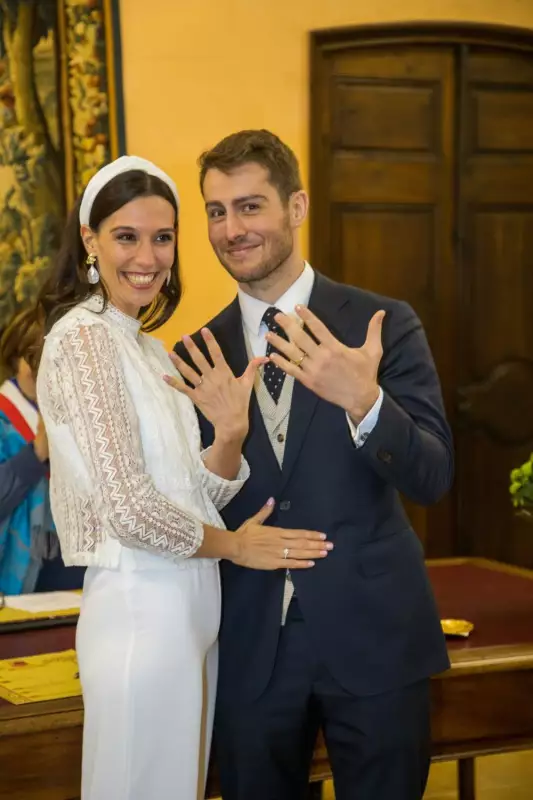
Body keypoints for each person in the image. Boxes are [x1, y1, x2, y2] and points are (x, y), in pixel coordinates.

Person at [34, 155, 332, 800]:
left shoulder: (145, 347)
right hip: (142, 608)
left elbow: (199, 497)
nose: (147, 256)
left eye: (162, 237)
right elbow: (130, 512)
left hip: (192, 608)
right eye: (126, 236)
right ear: (90, 240)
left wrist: (228, 437)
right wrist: (236, 547)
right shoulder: (81, 339)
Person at [172, 130, 454, 800]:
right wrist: (228, 442)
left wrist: (365, 400)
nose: (231, 229)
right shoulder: (194, 354)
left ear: (295, 207)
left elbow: (433, 477)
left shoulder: (381, 323)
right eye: (216, 211)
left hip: (375, 634)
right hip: (247, 647)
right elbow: (184, 510)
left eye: (249, 206)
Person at [0, 307, 84, 594]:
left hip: (74, 562)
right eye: (34, 357)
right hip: (19, 570)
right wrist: (36, 453)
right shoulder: (2, 416)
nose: (44, 367)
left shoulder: (78, 412)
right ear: (15, 358)